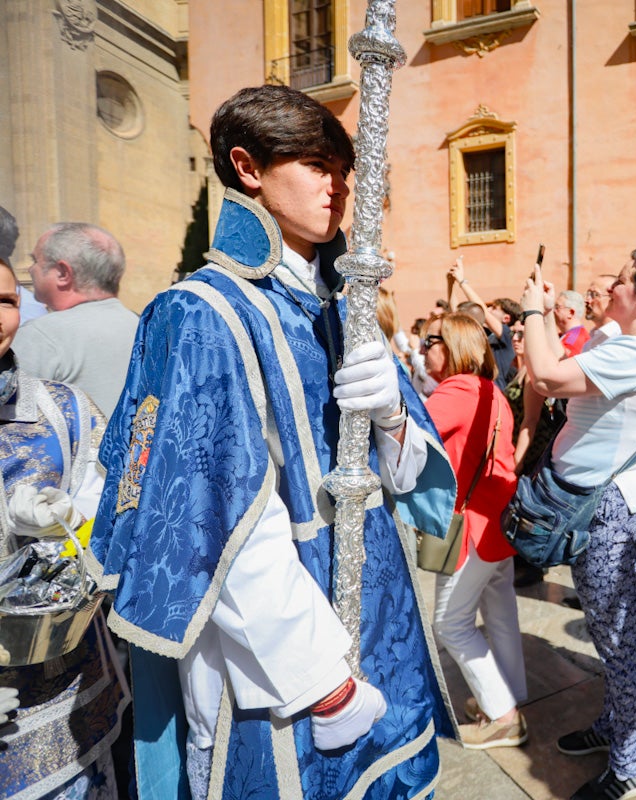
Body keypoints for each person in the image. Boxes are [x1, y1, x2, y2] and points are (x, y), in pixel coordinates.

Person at [85, 85, 457, 800]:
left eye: (342, 168)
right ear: (247, 167)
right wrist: (324, 684)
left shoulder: (345, 309)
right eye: (316, 164)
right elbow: (214, 517)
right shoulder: (197, 312)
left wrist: (393, 417)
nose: (338, 185)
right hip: (284, 657)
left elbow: (409, 482)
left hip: (384, 620)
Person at [520, 247, 636, 800]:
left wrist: (534, 313)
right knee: (614, 627)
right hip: (606, 499)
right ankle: (616, 725)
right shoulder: (622, 339)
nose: (606, 289)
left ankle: (630, 765)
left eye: (619, 283)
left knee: (618, 638)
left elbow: (544, 377)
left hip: (612, 503)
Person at [0, 254, 129, 800]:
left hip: (60, 701)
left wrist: (70, 523)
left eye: (6, 301)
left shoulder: (63, 411)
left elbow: (113, 512)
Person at [420, 313, 526, 750]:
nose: (425, 347)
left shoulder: (457, 391)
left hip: (473, 529)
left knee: (450, 624)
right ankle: (508, 694)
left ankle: (503, 715)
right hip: (497, 523)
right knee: (499, 611)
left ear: (455, 347)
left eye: (432, 340)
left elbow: (403, 436)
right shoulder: (490, 391)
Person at [13, 223, 139, 417]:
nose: (30, 269)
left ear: (63, 274)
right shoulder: (143, 326)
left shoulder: (41, 335)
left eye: (35, 260)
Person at [448, 259, 517, 386]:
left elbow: (482, 311)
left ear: (506, 318)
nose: (489, 309)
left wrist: (462, 281)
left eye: (494, 308)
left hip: (498, 398)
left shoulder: (510, 337)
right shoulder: (486, 335)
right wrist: (450, 284)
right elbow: (456, 314)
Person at [553, 289, 590, 356]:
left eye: (557, 307)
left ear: (571, 313)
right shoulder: (566, 335)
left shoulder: (575, 339)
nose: (553, 310)